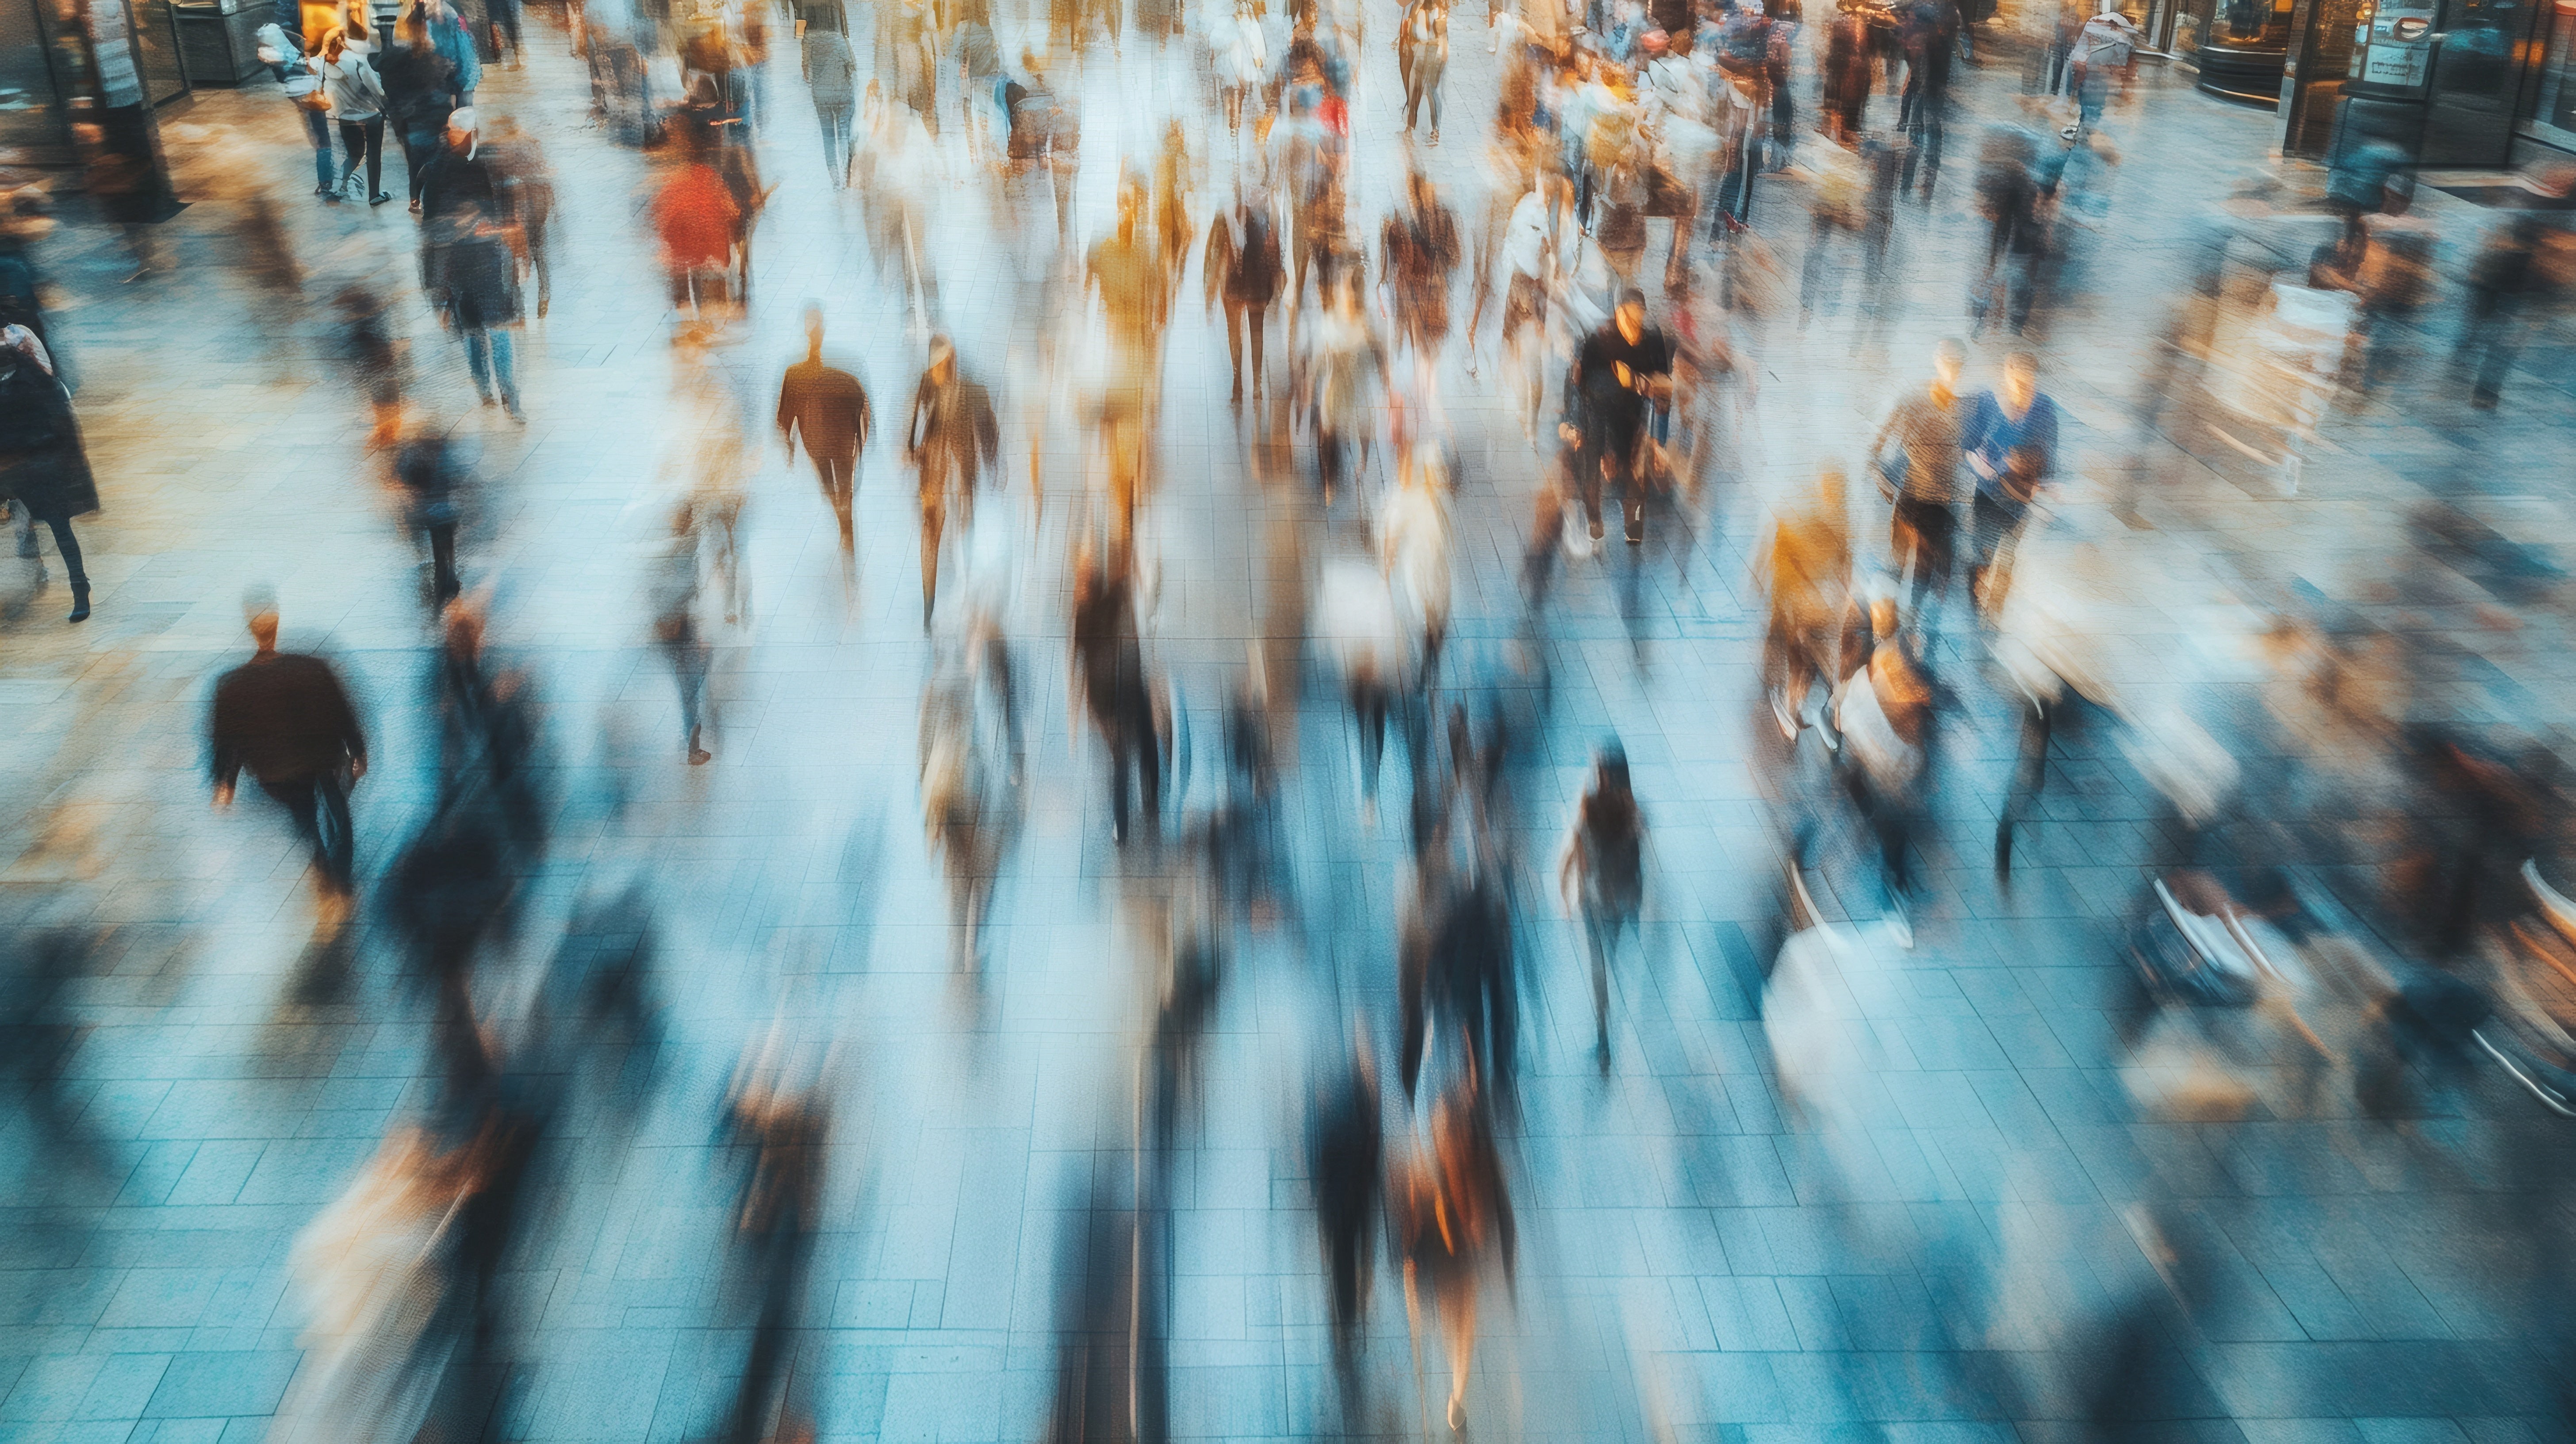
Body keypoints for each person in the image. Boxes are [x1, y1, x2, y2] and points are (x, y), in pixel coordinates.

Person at [209, 601, 368, 925]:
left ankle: (326, 875)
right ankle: (343, 876)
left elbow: (226, 738)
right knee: (340, 815)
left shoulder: (233, 685)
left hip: (278, 772)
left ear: (251, 630)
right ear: (277, 626)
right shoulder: (312, 668)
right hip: (323, 758)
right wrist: (358, 751)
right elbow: (342, 710)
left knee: (306, 824)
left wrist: (225, 781)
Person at [0, 324, 98, 622]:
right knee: (35, 524)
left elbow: (62, 427)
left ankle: (79, 586)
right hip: (14, 467)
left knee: (59, 527)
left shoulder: (38, 382)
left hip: (41, 467)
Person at [1558, 741, 1645, 1067]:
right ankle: (1603, 1033)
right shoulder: (1589, 806)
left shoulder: (1630, 815)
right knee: (1600, 968)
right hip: (1591, 904)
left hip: (1615, 904)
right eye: (1596, 770)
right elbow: (1569, 852)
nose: (1598, 777)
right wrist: (1565, 892)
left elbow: (1638, 866)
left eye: (1603, 771)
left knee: (1607, 963)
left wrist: (1636, 904)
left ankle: (1604, 1026)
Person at [904, 337, 1000, 628]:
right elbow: (913, 431)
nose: (939, 370)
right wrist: (913, 451)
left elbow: (988, 430)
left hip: (961, 475)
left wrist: (993, 463)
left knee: (964, 527)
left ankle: (965, 587)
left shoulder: (972, 391)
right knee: (931, 534)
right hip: (933, 476)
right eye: (936, 364)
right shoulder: (924, 387)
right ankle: (929, 605)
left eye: (945, 363)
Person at [1868, 338, 1965, 618]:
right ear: (1937, 362)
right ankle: (1888, 625)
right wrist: (1882, 480)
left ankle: (1913, 625)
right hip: (1914, 499)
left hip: (1944, 505)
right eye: (1948, 362)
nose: (1953, 369)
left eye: (1958, 364)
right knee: (1900, 567)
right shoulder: (1912, 401)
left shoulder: (1963, 409)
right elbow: (1876, 448)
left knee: (1929, 575)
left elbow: (1969, 455)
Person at [1571, 288, 1674, 545]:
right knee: (1592, 461)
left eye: (1639, 317)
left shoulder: (1651, 340)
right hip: (1597, 410)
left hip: (1631, 412)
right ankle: (1594, 517)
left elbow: (1664, 390)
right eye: (1629, 317)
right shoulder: (1600, 339)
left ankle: (1634, 526)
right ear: (1619, 314)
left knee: (1637, 471)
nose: (1634, 325)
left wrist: (1659, 442)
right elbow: (1583, 385)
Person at [774, 307, 872, 563]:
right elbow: (864, 412)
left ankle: (845, 527)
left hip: (818, 442)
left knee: (833, 488)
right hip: (838, 442)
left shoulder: (794, 376)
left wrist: (788, 446)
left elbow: (784, 420)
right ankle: (846, 528)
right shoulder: (845, 379)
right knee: (844, 488)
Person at [1958, 349, 2056, 601]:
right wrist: (1978, 462)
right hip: (1988, 492)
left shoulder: (2044, 408)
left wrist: (2042, 480)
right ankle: (1975, 597)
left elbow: (2049, 451)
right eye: (2019, 380)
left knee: (2008, 553)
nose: (2025, 387)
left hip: (2020, 495)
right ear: (2007, 375)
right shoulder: (1988, 402)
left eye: (2029, 380)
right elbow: (1967, 443)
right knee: (1981, 550)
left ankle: (1996, 605)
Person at [423, 201, 525, 420]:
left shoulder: (450, 237)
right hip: (480, 295)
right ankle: (503, 394)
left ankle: (493, 392)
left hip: (476, 296)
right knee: (493, 344)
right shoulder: (485, 234)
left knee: (480, 344)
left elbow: (441, 277)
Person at [1204, 188, 1285, 405]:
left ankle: (1248, 384)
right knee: (1244, 332)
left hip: (1248, 279)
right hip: (1240, 280)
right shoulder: (1248, 209)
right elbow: (1213, 249)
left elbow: (1212, 249)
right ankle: (1243, 382)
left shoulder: (1257, 209)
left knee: (1247, 332)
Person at [649, 497, 714, 765]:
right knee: (690, 689)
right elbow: (673, 591)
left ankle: (693, 743)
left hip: (675, 628)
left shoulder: (681, 551)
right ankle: (692, 749)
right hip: (676, 630)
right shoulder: (681, 553)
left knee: (690, 686)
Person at [653, 139, 743, 318]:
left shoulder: (675, 183)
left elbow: (663, 215)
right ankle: (713, 312)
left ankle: (687, 310)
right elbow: (731, 211)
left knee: (686, 282)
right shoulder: (713, 181)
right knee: (712, 280)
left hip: (684, 252)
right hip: (711, 251)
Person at [316, 28, 392, 204]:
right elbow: (375, 89)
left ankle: (341, 189)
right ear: (344, 41)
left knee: (353, 154)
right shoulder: (357, 60)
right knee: (374, 155)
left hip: (344, 116)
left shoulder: (324, 61)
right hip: (370, 115)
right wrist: (385, 107)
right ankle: (374, 196)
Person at [803, 24, 859, 184]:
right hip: (843, 95)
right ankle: (846, 176)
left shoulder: (809, 39)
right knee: (844, 135)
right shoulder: (840, 37)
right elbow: (853, 65)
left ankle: (835, 179)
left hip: (822, 96)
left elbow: (806, 75)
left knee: (828, 138)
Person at [1399, 0, 1451, 141]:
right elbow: (1402, 3)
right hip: (1419, 49)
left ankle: (1435, 129)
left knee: (1430, 90)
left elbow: (1441, 32)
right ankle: (1410, 127)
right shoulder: (1418, 6)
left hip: (1434, 50)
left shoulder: (1439, 9)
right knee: (1413, 86)